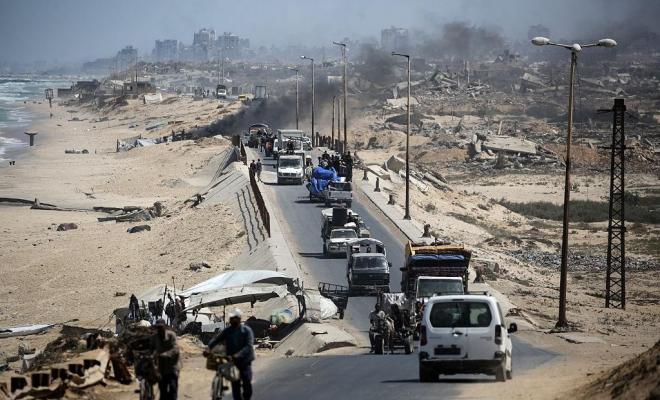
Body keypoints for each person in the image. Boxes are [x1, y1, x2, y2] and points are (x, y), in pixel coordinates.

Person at [205, 309, 255, 400]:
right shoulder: (228, 330)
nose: (232, 320)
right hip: (233, 361)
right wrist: (208, 348)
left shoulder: (246, 331)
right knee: (235, 384)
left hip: (245, 361)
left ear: (239, 319)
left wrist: (238, 355)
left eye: (235, 318)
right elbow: (217, 340)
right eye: (231, 318)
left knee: (247, 384)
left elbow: (248, 346)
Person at [151, 320, 180, 400]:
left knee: (173, 388)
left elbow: (175, 349)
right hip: (161, 368)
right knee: (163, 391)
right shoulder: (154, 337)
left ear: (165, 327)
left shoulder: (171, 335)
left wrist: (165, 354)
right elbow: (151, 349)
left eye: (161, 327)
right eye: (158, 328)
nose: (159, 329)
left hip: (172, 366)